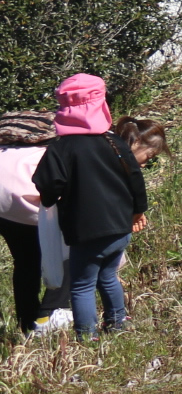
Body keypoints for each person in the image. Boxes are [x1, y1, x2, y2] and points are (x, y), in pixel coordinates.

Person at [32, 75, 146, 337]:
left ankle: (87, 335)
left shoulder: (62, 149)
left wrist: (50, 201)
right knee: (107, 275)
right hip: (119, 226)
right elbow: (136, 180)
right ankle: (117, 324)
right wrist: (137, 211)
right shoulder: (114, 142)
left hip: (86, 231)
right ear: (101, 105)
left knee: (82, 284)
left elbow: (48, 185)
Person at [0, 110, 67, 337]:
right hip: (31, 207)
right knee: (70, 255)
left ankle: (25, 321)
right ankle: (47, 315)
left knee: (25, 262)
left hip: (3, 211)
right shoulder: (53, 149)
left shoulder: (5, 150)